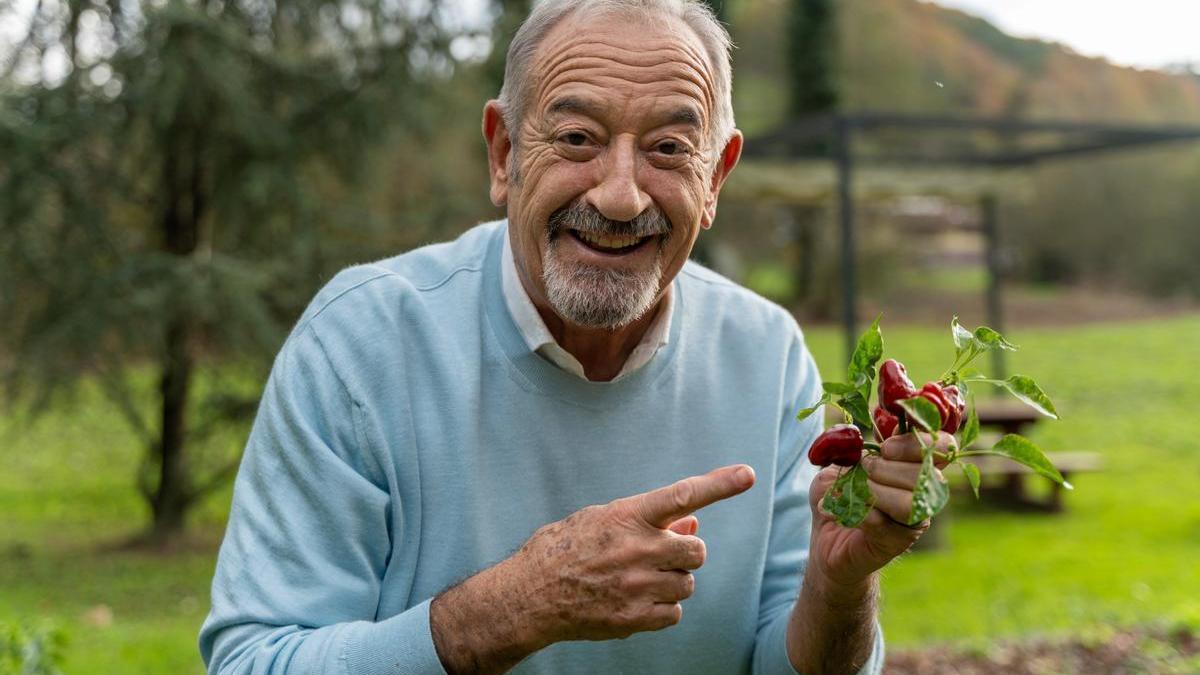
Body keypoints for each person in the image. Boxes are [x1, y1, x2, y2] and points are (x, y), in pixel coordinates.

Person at [199, 1, 954, 673]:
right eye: (576, 137)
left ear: (716, 178)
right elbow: (255, 658)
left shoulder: (768, 354)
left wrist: (839, 587)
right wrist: (511, 608)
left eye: (667, 148)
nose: (620, 195)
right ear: (503, 154)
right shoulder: (361, 342)